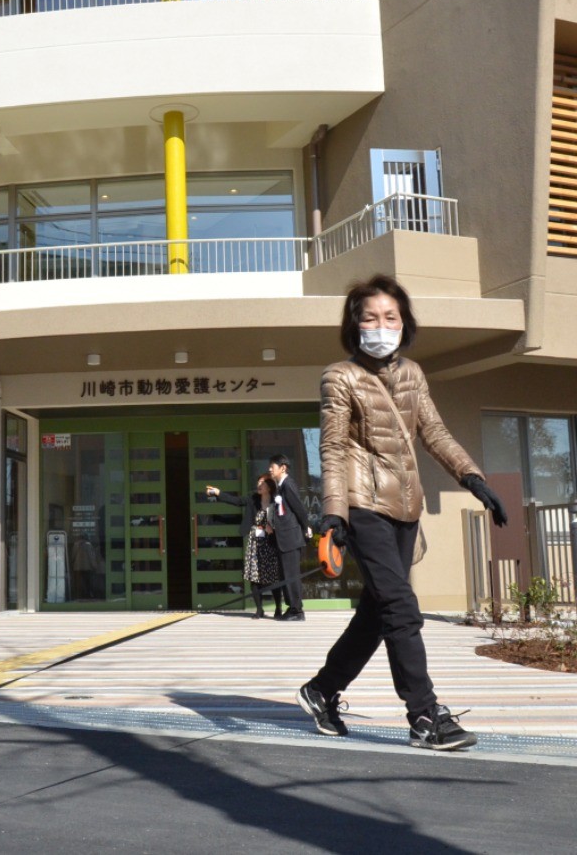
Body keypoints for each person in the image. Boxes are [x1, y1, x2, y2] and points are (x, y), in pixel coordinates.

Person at [296, 274, 508, 751]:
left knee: (376, 615)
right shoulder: (341, 376)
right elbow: (331, 450)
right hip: (363, 506)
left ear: (404, 323)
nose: (381, 325)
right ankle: (425, 714)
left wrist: (473, 478)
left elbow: (434, 432)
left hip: (406, 509)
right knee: (400, 608)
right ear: (355, 325)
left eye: (390, 317)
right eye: (370, 317)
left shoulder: (412, 373)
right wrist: (335, 514)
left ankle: (321, 690)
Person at [206, 475, 284, 619]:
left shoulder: (276, 501)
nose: (259, 485)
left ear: (269, 486)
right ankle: (259, 609)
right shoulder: (252, 499)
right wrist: (218, 493)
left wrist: (273, 526)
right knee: (254, 577)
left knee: (273, 576)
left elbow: (284, 518)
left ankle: (278, 608)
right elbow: (236, 501)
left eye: (262, 483)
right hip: (255, 542)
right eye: (258, 482)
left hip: (271, 543)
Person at [267, 454, 312, 621]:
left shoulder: (288, 484)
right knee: (286, 574)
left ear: (283, 468)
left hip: (291, 538)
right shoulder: (280, 486)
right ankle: (291, 608)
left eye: (273, 466)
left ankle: (297, 611)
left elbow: (299, 508)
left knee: (292, 575)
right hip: (283, 538)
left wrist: (306, 526)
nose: (270, 469)